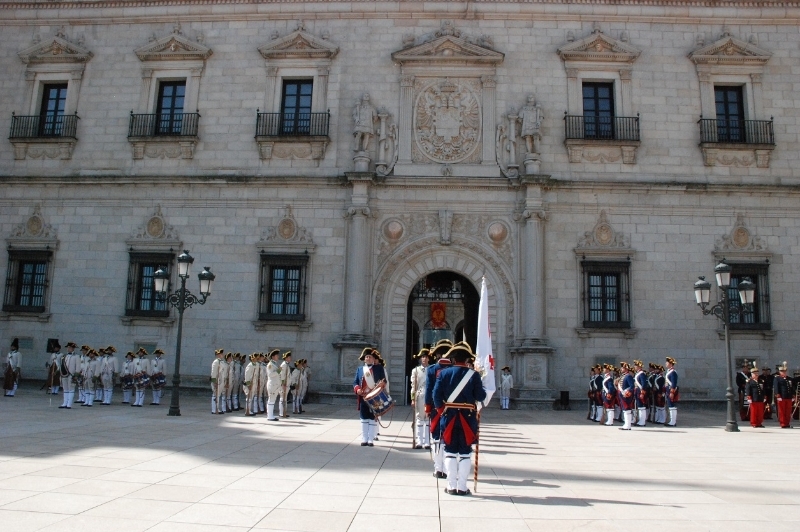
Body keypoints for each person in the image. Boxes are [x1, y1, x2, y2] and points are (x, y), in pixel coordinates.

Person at [432, 342, 487, 496]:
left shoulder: (443, 374)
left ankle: (451, 486)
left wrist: (442, 410)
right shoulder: (474, 375)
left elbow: (436, 396)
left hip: (449, 417)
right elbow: (480, 396)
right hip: (467, 419)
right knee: (465, 452)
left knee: (449, 451)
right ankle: (462, 487)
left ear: (453, 360)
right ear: (466, 359)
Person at [424, 339, 453, 477]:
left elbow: (429, 390)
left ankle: (438, 468)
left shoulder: (431, 370)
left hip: (437, 408)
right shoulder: (456, 369)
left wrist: (428, 407)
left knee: (436, 437)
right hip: (453, 408)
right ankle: (448, 469)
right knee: (448, 437)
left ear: (436, 356)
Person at [353, 347, 387, 446]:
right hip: (363, 397)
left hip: (374, 397)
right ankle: (364, 438)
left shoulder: (379, 368)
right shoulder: (360, 369)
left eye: (370, 357)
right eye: (366, 357)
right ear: (364, 359)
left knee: (372, 417)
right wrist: (357, 389)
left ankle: (371, 439)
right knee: (364, 417)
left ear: (373, 359)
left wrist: (382, 384)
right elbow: (355, 382)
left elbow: (384, 380)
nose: (368, 358)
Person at [410, 348, 431, 448]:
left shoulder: (432, 369)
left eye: (426, 357)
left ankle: (427, 441)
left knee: (427, 419)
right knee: (419, 418)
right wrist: (413, 399)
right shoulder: (416, 370)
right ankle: (419, 441)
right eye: (423, 357)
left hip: (429, 396)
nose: (424, 359)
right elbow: (413, 386)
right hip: (419, 395)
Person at [59, 342, 80, 409]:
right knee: (65, 389)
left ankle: (69, 404)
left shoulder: (76, 356)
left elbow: (78, 367)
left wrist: (76, 375)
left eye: (70, 347)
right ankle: (64, 403)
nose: (68, 349)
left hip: (71, 374)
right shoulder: (64, 356)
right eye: (68, 347)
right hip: (64, 374)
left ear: (73, 348)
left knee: (71, 389)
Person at [773, 361, 793, 429]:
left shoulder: (789, 379)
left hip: (788, 397)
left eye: (785, 371)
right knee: (782, 411)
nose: (784, 372)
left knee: (788, 411)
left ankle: (787, 423)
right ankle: (783, 423)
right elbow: (776, 387)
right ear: (780, 372)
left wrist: (793, 395)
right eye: (782, 371)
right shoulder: (777, 378)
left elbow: (791, 387)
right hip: (782, 396)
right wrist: (778, 395)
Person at [617, 362, 635, 430]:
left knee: (627, 410)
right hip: (622, 395)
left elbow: (631, 386)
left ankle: (628, 425)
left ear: (626, 369)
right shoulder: (623, 376)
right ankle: (626, 424)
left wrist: (626, 391)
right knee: (625, 410)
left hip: (626, 395)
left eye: (622, 368)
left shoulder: (628, 376)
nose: (621, 369)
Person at [266, 349, 282, 421]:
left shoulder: (275, 364)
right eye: (276, 355)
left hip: (275, 385)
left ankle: (271, 414)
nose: (278, 356)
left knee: (273, 400)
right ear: (273, 356)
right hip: (272, 384)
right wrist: (278, 371)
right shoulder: (270, 365)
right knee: (271, 400)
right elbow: (270, 374)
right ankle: (269, 415)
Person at [633, 360, 649, 427]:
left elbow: (644, 384)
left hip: (640, 391)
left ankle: (642, 421)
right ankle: (640, 420)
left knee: (642, 407)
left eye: (636, 365)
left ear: (639, 366)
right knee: (639, 407)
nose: (635, 367)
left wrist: (642, 393)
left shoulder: (642, 374)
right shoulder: (638, 373)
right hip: (637, 391)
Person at [664, 357, 679, 427]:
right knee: (670, 406)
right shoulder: (669, 371)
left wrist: (672, 392)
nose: (665, 363)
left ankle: (673, 422)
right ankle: (671, 421)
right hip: (668, 391)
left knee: (672, 406)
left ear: (670, 364)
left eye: (667, 362)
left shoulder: (673, 372)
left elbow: (674, 383)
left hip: (671, 391)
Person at [279, 351, 292, 418]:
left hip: (286, 385)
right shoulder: (284, 365)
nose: (290, 359)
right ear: (286, 358)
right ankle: (281, 412)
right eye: (289, 357)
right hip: (284, 385)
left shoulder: (286, 364)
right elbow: (282, 375)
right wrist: (283, 384)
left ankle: (284, 411)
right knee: (282, 398)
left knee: (284, 399)